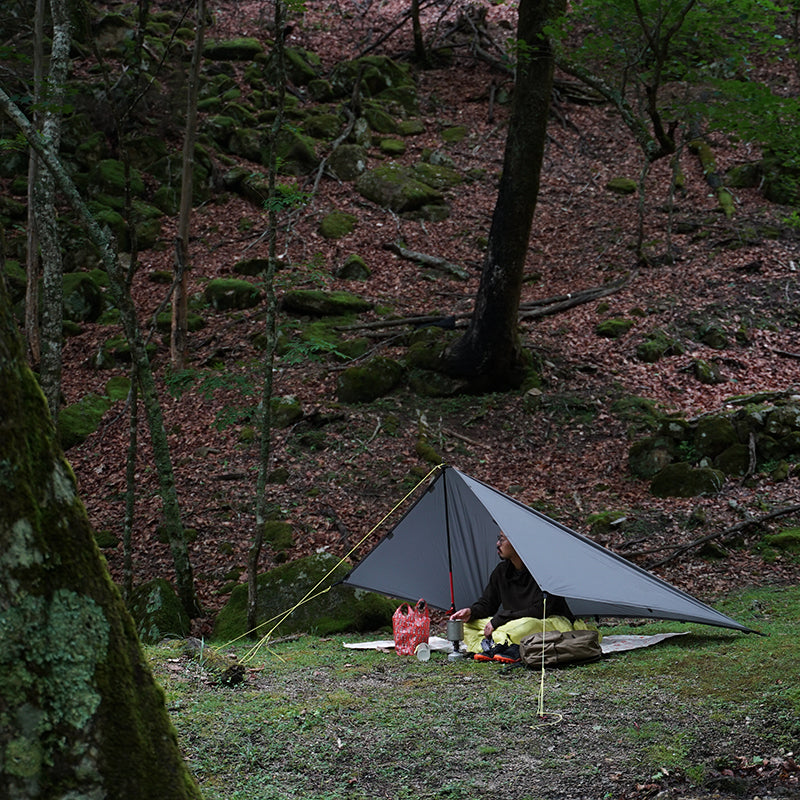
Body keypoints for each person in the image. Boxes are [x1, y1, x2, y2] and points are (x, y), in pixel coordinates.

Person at [450, 530, 593, 660]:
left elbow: (540, 610)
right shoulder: (501, 571)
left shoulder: (544, 572)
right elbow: (488, 603)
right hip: (512, 622)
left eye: (502, 539)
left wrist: (501, 619)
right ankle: (497, 646)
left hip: (549, 622)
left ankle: (495, 645)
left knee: (524, 627)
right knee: (465, 626)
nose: (497, 544)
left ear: (517, 542)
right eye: (498, 538)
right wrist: (471, 611)